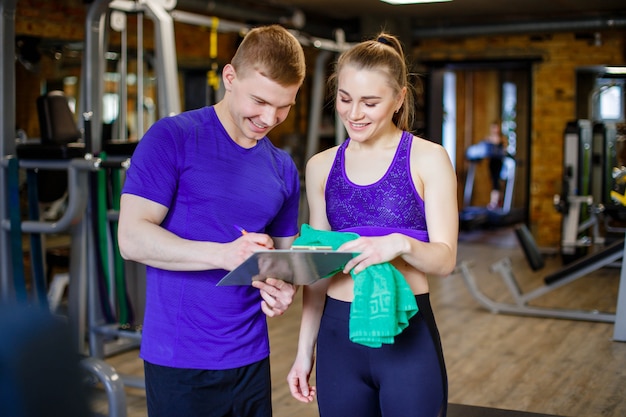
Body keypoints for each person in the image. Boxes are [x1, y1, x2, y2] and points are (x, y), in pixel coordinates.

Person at [117, 24, 306, 417]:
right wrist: (224, 254)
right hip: (179, 358)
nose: (270, 117)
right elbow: (131, 239)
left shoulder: (282, 168)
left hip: (251, 356)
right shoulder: (172, 137)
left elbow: (282, 263)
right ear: (230, 78)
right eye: (259, 100)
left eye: (284, 105)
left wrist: (285, 289)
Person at [286, 33, 458, 417]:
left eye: (370, 102)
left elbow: (445, 261)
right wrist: (303, 353)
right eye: (345, 99)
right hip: (337, 338)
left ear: (398, 99)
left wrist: (400, 244)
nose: (354, 114)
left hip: (407, 339)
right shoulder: (321, 166)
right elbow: (318, 270)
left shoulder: (428, 159)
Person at [484, 121, 507, 209]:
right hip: (492, 163)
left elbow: (504, 150)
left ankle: (496, 202)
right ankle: (494, 202)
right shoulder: (488, 139)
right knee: (494, 182)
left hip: (499, 163)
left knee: (497, 182)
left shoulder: (502, 139)